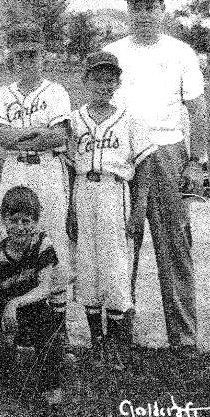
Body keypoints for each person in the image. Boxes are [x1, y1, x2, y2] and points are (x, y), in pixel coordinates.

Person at [104, 0, 207, 351]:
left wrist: (198, 160)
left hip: (166, 151)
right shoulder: (113, 52)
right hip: (123, 152)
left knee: (174, 245)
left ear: (162, 9)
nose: (143, 13)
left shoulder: (180, 52)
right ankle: (120, 335)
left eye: (150, 6)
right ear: (128, 10)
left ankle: (183, 340)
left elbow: (196, 108)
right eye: (136, 6)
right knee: (122, 244)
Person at [67, 51, 156, 369]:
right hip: (82, 190)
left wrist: (140, 207)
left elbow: (144, 165)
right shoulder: (74, 120)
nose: (103, 84)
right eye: (97, 78)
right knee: (87, 267)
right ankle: (97, 344)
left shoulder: (129, 118)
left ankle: (118, 347)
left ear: (118, 82)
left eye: (110, 79)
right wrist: (70, 209)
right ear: (85, 80)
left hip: (113, 191)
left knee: (115, 267)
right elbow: (67, 168)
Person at [0, 25, 72, 341]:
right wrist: (35, 134)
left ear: (42, 56)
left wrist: (17, 136)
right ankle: (13, 323)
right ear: (12, 58)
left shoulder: (55, 91)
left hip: (46, 171)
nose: (26, 60)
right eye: (20, 55)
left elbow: (59, 135)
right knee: (11, 235)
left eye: (32, 54)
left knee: (52, 240)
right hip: (14, 169)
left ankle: (56, 333)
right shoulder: (2, 93)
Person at [0, 186, 65, 405]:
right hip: (3, 316)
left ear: (36, 222)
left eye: (26, 221)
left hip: (30, 305)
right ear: (4, 221)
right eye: (14, 220)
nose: (20, 227)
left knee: (49, 322)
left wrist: (15, 303)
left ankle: (51, 386)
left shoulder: (41, 243)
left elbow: (45, 287)